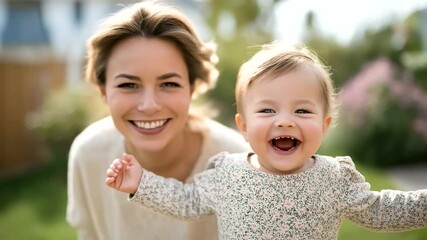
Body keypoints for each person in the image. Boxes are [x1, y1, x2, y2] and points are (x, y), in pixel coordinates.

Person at [106, 42, 427, 240]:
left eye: (302, 110)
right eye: (267, 110)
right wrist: (141, 183)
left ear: (324, 124)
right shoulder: (227, 174)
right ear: (243, 127)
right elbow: (186, 201)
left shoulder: (334, 178)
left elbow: (382, 210)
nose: (285, 120)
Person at [66, 1, 250, 240]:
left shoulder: (238, 161)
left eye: (169, 84)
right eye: (128, 85)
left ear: (191, 88)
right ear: (104, 92)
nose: (149, 106)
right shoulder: (88, 154)